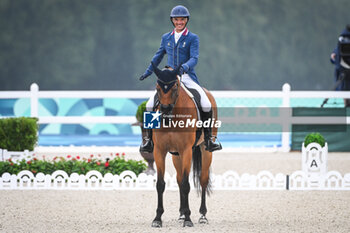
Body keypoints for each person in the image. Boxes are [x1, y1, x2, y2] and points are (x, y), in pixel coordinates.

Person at [138, 5, 222, 153]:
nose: (179, 22)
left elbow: (194, 58)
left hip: (187, 76)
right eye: (176, 20)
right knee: (150, 105)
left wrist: (184, 68)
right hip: (169, 77)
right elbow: (158, 56)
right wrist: (148, 71)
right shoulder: (166, 38)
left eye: (182, 19)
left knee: (206, 103)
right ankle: (148, 140)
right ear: (173, 21)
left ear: (186, 20)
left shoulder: (192, 38)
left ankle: (209, 139)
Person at [330, 24, 350, 106]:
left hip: (343, 70)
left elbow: (334, 57)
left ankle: (346, 105)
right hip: (344, 72)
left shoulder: (342, 39)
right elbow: (334, 56)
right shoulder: (342, 40)